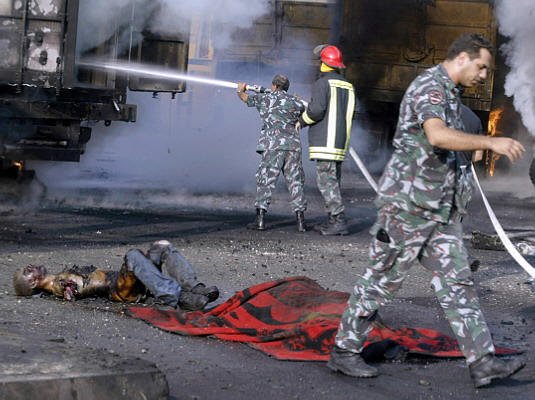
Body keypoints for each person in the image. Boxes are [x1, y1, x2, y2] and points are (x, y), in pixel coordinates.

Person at [327, 33, 526, 388]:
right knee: (380, 280)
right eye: (481, 67)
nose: (483, 75)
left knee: (458, 284)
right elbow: (436, 136)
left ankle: (482, 363)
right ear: (462, 58)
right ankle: (344, 350)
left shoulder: (451, 94)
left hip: (437, 212)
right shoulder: (429, 87)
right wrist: (489, 141)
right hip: (406, 208)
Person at [13, 240, 219, 311]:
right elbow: (70, 290)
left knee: (161, 247)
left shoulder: (58, 278)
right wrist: (69, 289)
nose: (30, 267)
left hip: (124, 283)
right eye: (26, 271)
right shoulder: (56, 285)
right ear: (31, 284)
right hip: (118, 289)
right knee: (132, 256)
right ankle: (174, 297)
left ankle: (194, 289)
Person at [237, 74, 307, 232]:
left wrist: (239, 90)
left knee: (266, 181)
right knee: (295, 182)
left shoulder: (264, 99)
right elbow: (304, 113)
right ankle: (301, 222)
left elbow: (245, 98)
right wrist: (296, 99)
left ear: (274, 85)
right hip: (292, 147)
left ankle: (260, 221)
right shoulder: (296, 102)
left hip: (272, 146)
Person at [299, 44, 356, 236]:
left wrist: (301, 121)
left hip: (325, 142)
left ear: (323, 63)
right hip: (340, 143)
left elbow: (316, 111)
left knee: (326, 183)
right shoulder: (347, 85)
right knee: (333, 182)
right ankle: (333, 220)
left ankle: (338, 221)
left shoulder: (322, 83)